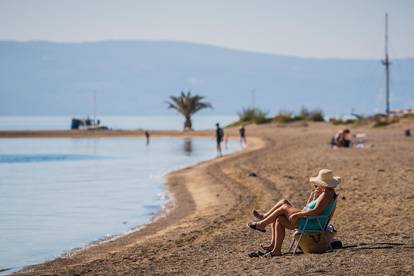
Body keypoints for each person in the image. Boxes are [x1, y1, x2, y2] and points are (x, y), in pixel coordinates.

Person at [247, 169, 341, 258]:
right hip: (309, 220)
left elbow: (316, 211)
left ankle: (262, 224)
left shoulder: (326, 194)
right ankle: (275, 249)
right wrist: (313, 195)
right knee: (280, 217)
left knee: (284, 207)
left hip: (312, 223)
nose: (316, 184)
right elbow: (307, 207)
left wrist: (297, 215)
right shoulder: (325, 192)